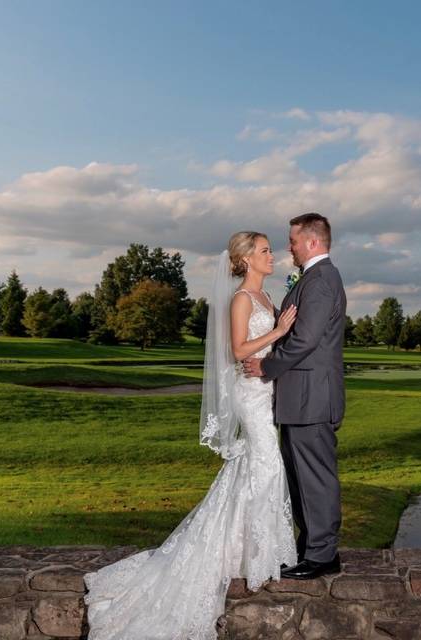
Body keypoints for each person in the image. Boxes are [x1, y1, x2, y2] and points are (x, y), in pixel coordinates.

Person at [84, 232, 298, 640]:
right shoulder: (241, 300)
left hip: (266, 389)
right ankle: (256, 555)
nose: (274, 256)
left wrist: (282, 331)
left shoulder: (269, 299)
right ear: (247, 260)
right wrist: (278, 332)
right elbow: (237, 350)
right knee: (268, 463)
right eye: (266, 250)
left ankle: (247, 551)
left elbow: (268, 348)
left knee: (254, 467)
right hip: (249, 394)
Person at [243, 212, 347, 580]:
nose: (289, 247)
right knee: (301, 476)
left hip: (312, 398)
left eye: (293, 240)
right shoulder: (313, 279)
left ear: (313, 242)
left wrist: (268, 367)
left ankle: (322, 556)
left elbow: (305, 339)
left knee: (316, 477)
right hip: (300, 399)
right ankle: (310, 548)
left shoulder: (320, 280)